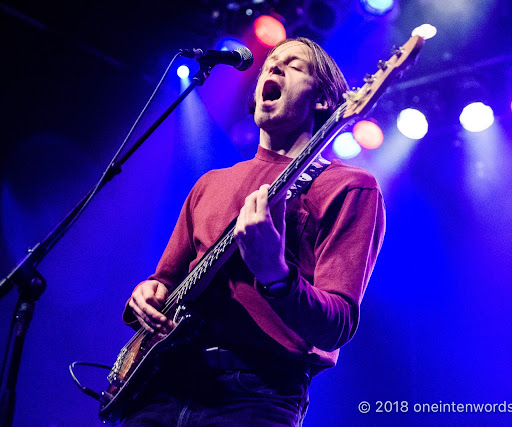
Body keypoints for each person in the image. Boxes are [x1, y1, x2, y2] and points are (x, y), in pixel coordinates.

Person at [122, 37, 386, 426]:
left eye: (294, 65)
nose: (274, 67)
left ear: (324, 101)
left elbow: (336, 326)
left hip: (257, 392)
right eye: (271, 63)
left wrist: (274, 274)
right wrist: (146, 295)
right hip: (163, 381)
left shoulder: (349, 186)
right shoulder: (209, 183)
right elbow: (164, 282)